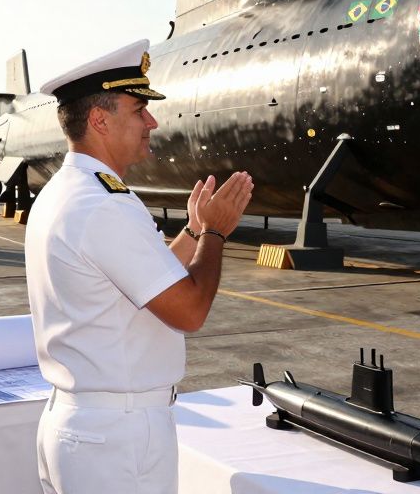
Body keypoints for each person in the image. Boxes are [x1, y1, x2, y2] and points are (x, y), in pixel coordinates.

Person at [26, 39, 253, 494]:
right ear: (99, 120)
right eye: (138, 109)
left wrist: (190, 233)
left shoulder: (70, 190)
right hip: (118, 438)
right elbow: (188, 311)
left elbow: (147, 285)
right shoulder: (103, 205)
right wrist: (215, 233)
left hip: (82, 424)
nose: (152, 121)